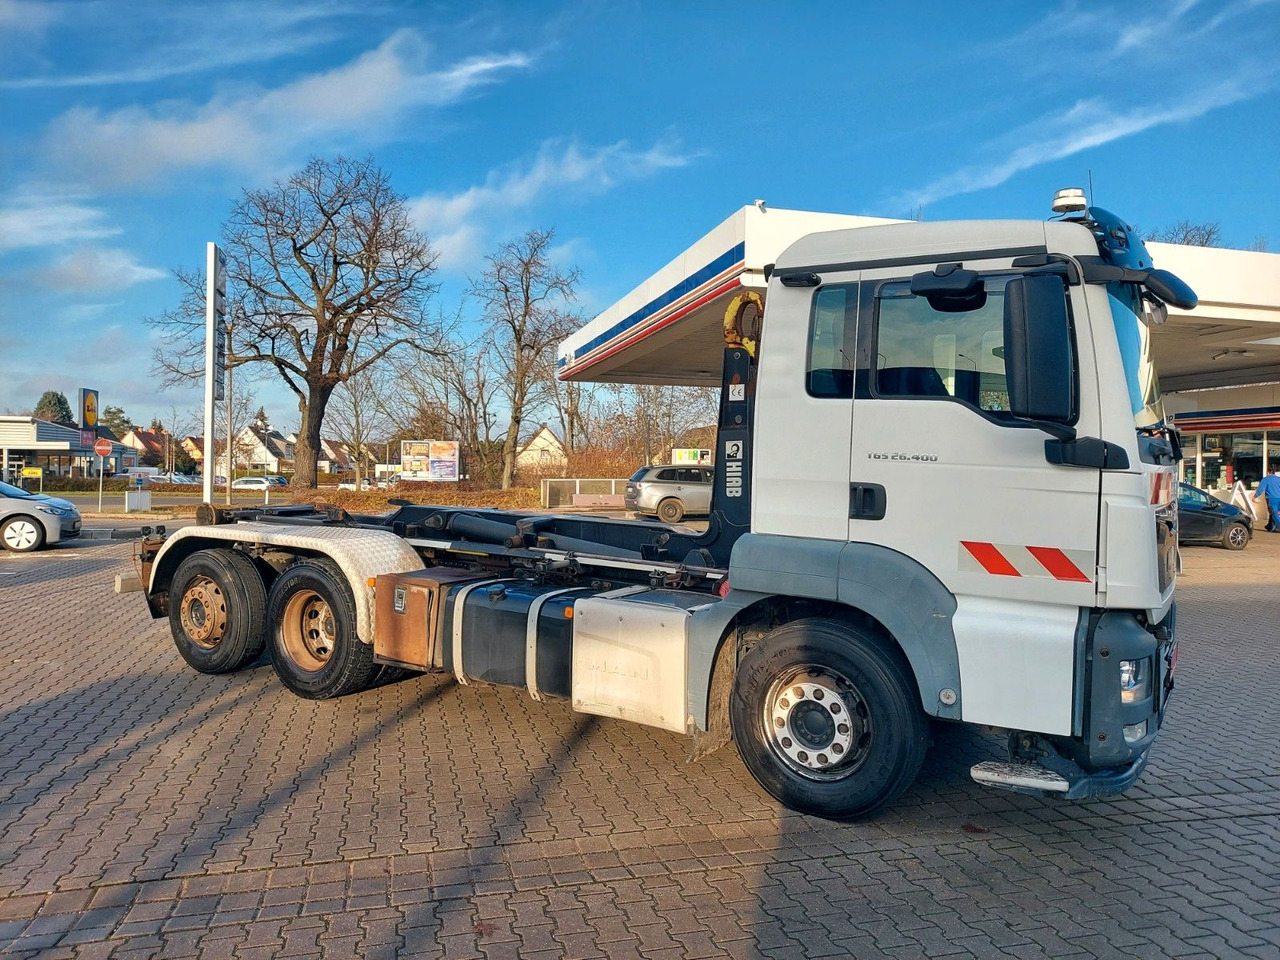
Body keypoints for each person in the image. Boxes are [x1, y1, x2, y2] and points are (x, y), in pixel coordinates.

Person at [1253, 468, 1280, 532]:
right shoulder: (1278, 479)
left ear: (1268, 472)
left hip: (1271, 499)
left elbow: (1260, 489)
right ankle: (1270, 526)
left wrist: (1255, 497)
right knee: (1273, 513)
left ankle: (1278, 527)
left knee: (1274, 513)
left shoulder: (1266, 479)